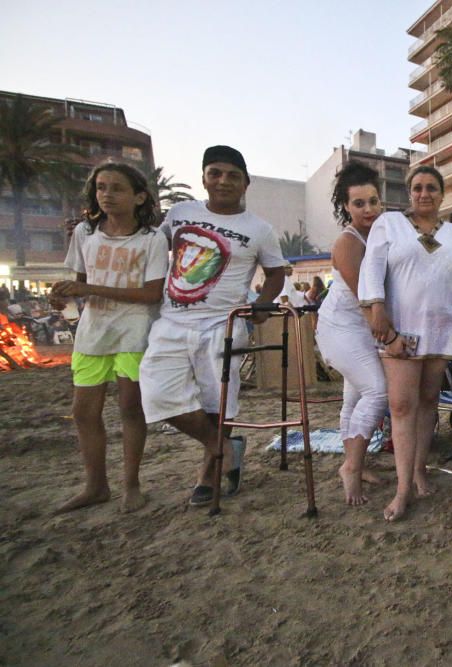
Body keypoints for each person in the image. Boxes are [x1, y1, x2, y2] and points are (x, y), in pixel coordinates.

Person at [359, 165, 452, 521]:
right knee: (401, 407)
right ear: (409, 193)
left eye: (431, 188)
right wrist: (377, 309)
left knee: (428, 403)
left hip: (441, 330)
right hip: (401, 331)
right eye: (417, 188)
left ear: (442, 195)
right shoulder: (389, 224)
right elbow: (372, 268)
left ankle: (418, 471)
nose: (424, 194)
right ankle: (402, 488)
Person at [139, 146, 286, 507]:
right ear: (204, 177)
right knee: (157, 395)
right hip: (171, 319)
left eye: (233, 175)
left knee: (218, 400)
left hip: (225, 322)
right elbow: (146, 244)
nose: (223, 181)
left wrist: (262, 306)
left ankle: (210, 470)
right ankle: (222, 447)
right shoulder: (179, 213)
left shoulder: (259, 229)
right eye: (215, 173)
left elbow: (276, 273)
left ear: (245, 183)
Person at [49, 162, 169, 514]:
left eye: (117, 188)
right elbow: (81, 280)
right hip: (92, 330)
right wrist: (65, 296)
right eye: (101, 187)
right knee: (84, 412)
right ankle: (96, 485)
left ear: (139, 197)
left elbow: (151, 294)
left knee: (131, 408)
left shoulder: (151, 239)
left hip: (134, 330)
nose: (107, 195)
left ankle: (131, 483)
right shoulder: (86, 234)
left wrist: (88, 287)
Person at [315, 161, 388, 506]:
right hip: (341, 328)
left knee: (354, 398)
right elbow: (365, 296)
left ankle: (355, 464)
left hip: (359, 328)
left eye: (373, 201)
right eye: (359, 203)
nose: (369, 209)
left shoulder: (380, 232)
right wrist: (388, 334)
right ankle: (351, 467)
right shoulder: (348, 241)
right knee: (378, 391)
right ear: (346, 206)